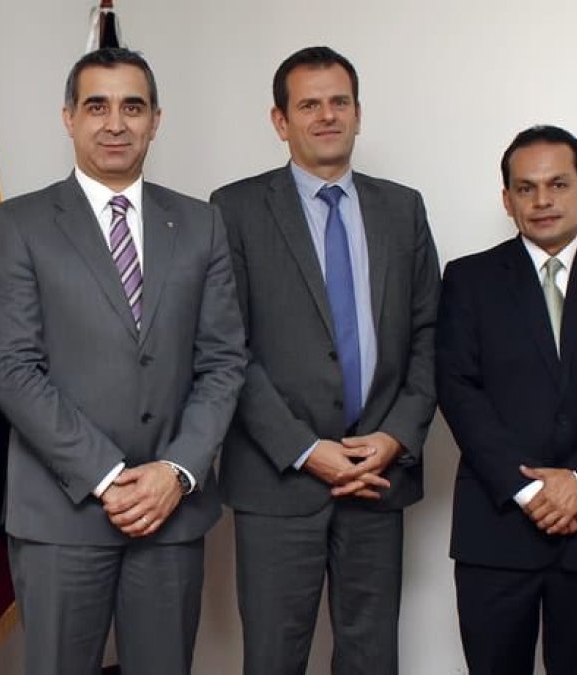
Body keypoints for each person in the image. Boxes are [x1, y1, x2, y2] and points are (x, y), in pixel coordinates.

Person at [0, 47, 247, 675]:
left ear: (156, 119)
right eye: (97, 106)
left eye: (133, 107)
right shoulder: (17, 224)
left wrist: (175, 471)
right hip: (62, 514)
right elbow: (12, 369)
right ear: (68, 118)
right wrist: (108, 476)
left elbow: (224, 361)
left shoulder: (201, 224)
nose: (115, 123)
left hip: (171, 511)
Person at [209, 45, 440, 674]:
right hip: (279, 479)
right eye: (308, 104)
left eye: (339, 102)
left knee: (371, 658)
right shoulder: (233, 209)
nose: (326, 116)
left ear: (359, 114)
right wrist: (309, 450)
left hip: (377, 475)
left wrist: (395, 436)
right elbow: (229, 348)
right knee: (274, 657)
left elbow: (428, 336)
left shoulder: (403, 208)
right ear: (280, 121)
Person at [437, 125, 577, 675]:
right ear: (507, 200)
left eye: (558, 184)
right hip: (496, 529)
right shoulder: (467, 279)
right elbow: (458, 389)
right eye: (526, 188)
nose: (543, 201)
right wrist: (528, 489)